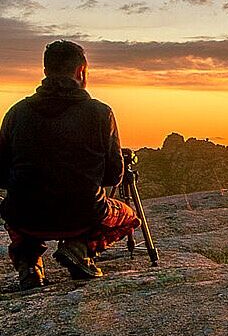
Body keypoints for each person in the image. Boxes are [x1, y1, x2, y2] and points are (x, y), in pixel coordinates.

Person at [0, 40, 139, 289]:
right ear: (81, 72)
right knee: (129, 216)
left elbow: (0, 174)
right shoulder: (100, 113)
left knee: (13, 207)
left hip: (25, 217)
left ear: (45, 72)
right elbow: (114, 175)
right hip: (83, 215)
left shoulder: (16, 113)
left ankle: (29, 263)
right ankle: (79, 247)